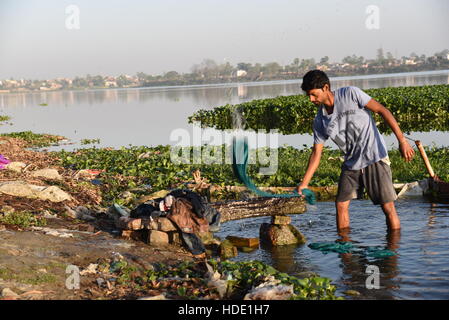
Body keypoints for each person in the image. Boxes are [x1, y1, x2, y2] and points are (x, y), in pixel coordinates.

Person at [296, 70, 415, 231]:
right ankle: (345, 247)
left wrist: (402, 141)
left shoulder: (350, 94)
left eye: (314, 95)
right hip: (351, 163)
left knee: (387, 207)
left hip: (375, 157)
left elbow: (383, 111)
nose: (311, 99)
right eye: (309, 96)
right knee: (341, 205)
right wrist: (304, 183)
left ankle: (393, 248)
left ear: (325, 88)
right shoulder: (320, 120)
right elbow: (317, 153)